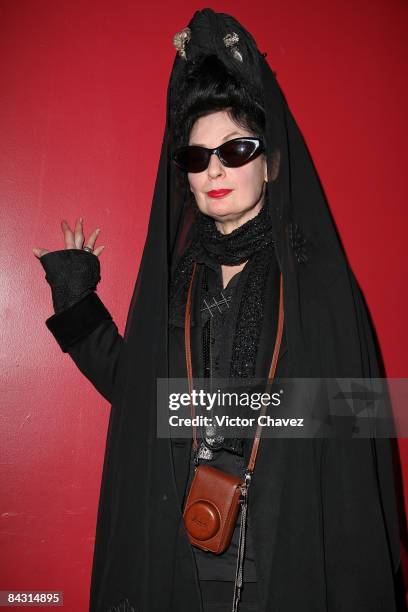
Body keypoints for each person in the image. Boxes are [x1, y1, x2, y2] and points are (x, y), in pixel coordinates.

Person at [33, 8, 404, 612]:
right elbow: (142, 399)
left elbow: (360, 419)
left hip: (288, 558)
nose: (215, 170)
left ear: (270, 162)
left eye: (236, 149)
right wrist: (77, 303)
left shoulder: (317, 286)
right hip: (184, 556)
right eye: (197, 157)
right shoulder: (181, 283)